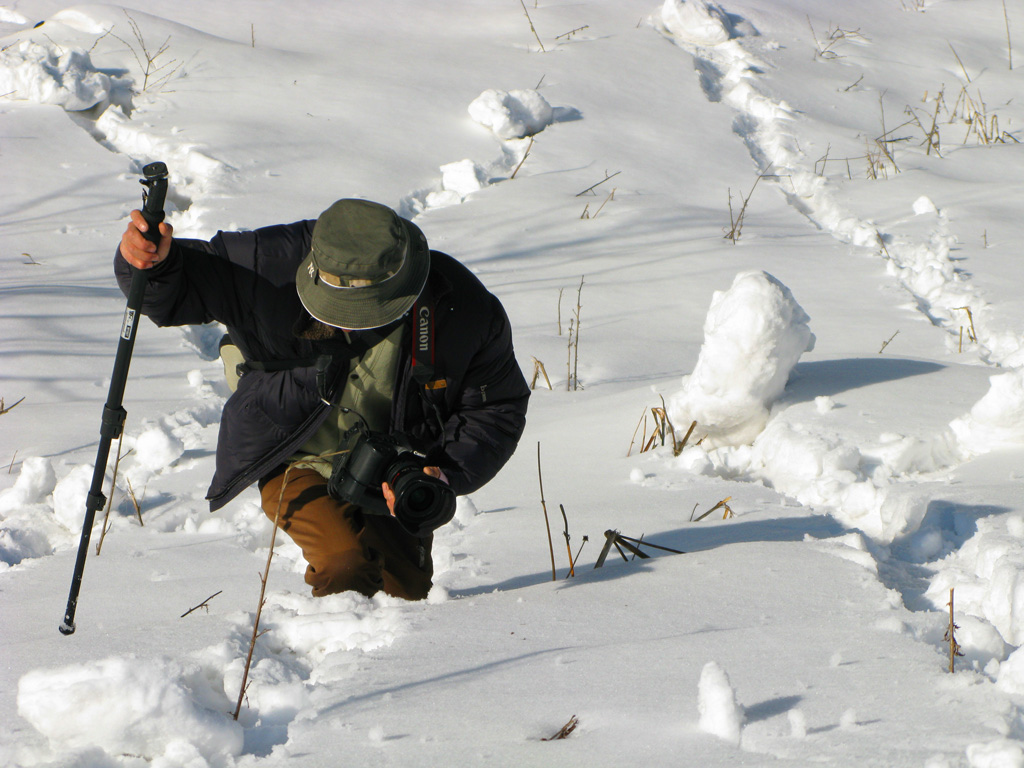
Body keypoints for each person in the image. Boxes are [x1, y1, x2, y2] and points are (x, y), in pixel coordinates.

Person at [117, 198, 530, 600]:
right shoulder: (270, 264)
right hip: (292, 448)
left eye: (365, 313)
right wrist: (151, 263)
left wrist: (444, 472)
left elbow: (495, 408)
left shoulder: (463, 307)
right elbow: (178, 282)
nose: (349, 323)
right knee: (342, 563)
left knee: (406, 592)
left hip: (390, 468)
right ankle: (338, 648)